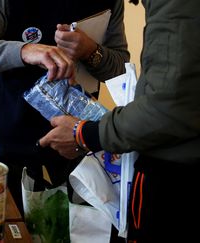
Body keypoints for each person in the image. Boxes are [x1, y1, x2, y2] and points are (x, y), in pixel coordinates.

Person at [0, 0, 129, 215]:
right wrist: (25, 51)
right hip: (13, 147)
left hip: (81, 145)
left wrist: (91, 51)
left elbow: (121, 70)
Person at [39, 0, 200, 241]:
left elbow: (165, 109)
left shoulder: (177, 6)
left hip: (175, 180)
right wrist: (25, 51)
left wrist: (85, 134)